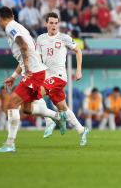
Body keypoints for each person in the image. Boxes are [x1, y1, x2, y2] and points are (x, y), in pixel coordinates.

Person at [0, 6, 67, 153]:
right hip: (37, 72)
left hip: (33, 73)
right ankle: (57, 116)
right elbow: (26, 51)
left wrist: (26, 68)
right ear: (13, 16)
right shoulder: (17, 26)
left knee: (11, 103)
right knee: (27, 109)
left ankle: (10, 144)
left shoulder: (9, 27)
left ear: (0, 20)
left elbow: (24, 45)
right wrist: (14, 76)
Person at [34, 12, 89, 145]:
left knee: (35, 93)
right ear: (46, 24)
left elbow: (78, 51)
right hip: (46, 77)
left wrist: (78, 70)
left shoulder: (64, 38)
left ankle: (49, 121)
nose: (54, 25)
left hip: (58, 76)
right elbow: (39, 59)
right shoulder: (41, 38)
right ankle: (82, 130)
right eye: (51, 23)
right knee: (63, 108)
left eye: (56, 23)